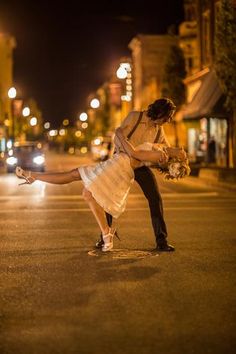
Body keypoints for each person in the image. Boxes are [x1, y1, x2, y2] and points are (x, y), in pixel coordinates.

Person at [15, 128, 190, 252]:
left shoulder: (159, 155)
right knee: (74, 175)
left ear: (174, 160)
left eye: (182, 153)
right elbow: (165, 148)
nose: (182, 150)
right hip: (114, 165)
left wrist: (120, 134)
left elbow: (134, 153)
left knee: (83, 187)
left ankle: (107, 234)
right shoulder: (161, 148)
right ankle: (32, 175)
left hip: (118, 170)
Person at [92, 98, 186, 252]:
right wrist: (130, 154)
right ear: (159, 111)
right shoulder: (135, 117)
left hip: (141, 167)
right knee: (109, 199)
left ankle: (161, 240)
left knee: (155, 198)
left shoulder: (158, 130)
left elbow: (165, 149)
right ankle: (104, 238)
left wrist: (175, 162)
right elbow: (118, 138)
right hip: (122, 164)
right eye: (167, 116)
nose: (168, 120)